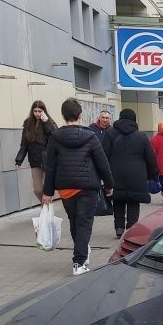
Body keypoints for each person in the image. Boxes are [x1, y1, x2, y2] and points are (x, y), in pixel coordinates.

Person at [42, 98, 113, 276]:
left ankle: (81, 253)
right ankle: (79, 262)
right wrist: (109, 185)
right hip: (88, 187)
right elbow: (102, 163)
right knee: (84, 223)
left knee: (75, 222)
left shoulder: (55, 137)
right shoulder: (90, 136)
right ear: (80, 115)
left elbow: (50, 166)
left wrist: (47, 192)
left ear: (63, 115)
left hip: (66, 187)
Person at [107, 108, 158, 237]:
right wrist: (153, 175)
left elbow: (103, 155)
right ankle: (131, 228)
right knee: (133, 202)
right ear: (134, 120)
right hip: (137, 176)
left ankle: (119, 227)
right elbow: (150, 157)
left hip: (115, 174)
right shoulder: (141, 136)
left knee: (118, 200)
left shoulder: (110, 134)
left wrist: (104, 176)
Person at [15, 100, 56, 202]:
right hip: (35, 160)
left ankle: (45, 212)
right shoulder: (28, 124)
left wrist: (46, 122)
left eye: (40, 111)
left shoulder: (49, 122)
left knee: (48, 189)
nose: (37, 113)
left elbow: (54, 137)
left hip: (48, 160)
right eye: (35, 111)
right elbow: (24, 144)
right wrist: (19, 160)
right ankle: (46, 207)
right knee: (38, 189)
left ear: (44, 111)